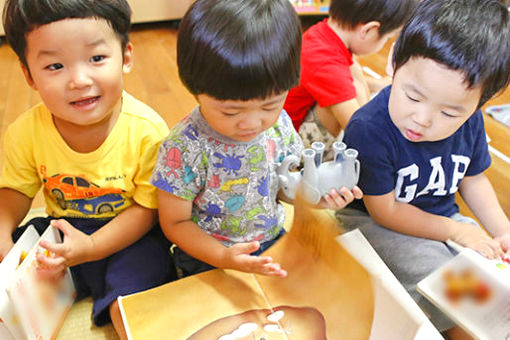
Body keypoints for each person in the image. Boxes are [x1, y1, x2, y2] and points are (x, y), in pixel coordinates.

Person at [151, 0, 363, 279]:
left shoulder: (281, 127)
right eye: (231, 111)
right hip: (207, 256)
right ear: (194, 89)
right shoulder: (184, 147)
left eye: (269, 106)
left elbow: (283, 188)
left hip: (271, 240)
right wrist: (224, 256)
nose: (252, 123)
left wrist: (316, 199)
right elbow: (175, 222)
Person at [0, 0, 174, 338]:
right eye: (55, 66)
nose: (79, 80)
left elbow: (146, 210)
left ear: (125, 57)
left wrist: (93, 248)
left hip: (130, 237)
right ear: (28, 74)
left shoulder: (147, 131)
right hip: (63, 233)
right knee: (15, 277)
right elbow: (16, 191)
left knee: (137, 292)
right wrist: (3, 229)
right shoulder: (26, 131)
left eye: (96, 59)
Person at [340, 0, 510, 338]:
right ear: (393, 64)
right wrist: (456, 231)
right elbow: (385, 211)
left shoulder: (471, 119)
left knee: (492, 274)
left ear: (480, 103)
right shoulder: (368, 128)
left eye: (449, 113)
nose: (423, 119)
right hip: (372, 222)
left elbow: (473, 179)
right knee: (453, 281)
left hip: (440, 218)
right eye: (413, 97)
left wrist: (502, 231)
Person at [284, 0, 418, 156]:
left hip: (292, 122)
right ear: (369, 30)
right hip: (291, 147)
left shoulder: (323, 33)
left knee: (352, 79)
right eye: (387, 38)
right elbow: (358, 128)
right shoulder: (326, 62)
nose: (385, 42)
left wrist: (376, 85)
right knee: (354, 91)